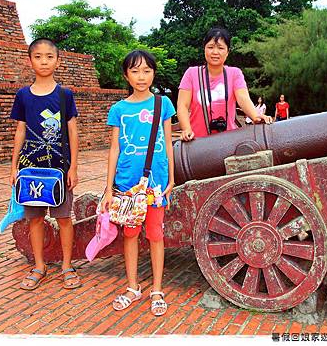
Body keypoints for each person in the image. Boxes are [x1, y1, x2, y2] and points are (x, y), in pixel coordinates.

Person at [100, 50, 175, 316]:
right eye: (135, 71)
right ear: (126, 75)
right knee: (130, 235)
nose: (141, 76)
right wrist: (109, 189)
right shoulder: (119, 109)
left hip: (155, 183)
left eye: (146, 70)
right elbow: (114, 149)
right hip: (127, 184)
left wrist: (172, 177)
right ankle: (133, 287)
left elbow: (168, 143)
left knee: (155, 235)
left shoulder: (162, 103)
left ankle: (157, 289)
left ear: (154, 73)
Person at [9, 38, 81, 290]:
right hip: (31, 167)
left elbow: (73, 131)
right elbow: (20, 130)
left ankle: (67, 266)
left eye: (49, 56)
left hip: (60, 167)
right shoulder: (23, 96)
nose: (44, 61)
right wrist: (13, 166)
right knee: (35, 219)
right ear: (30, 61)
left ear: (57, 61)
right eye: (38, 56)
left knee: (63, 218)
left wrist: (73, 167)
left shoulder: (64, 95)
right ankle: (39, 265)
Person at [177, 27, 272, 140]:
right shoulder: (191, 73)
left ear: (227, 52)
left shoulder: (235, 73)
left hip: (229, 140)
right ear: (204, 49)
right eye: (210, 47)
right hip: (197, 140)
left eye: (221, 48)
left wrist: (255, 116)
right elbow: (182, 105)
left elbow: (243, 98)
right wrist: (186, 129)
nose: (215, 52)